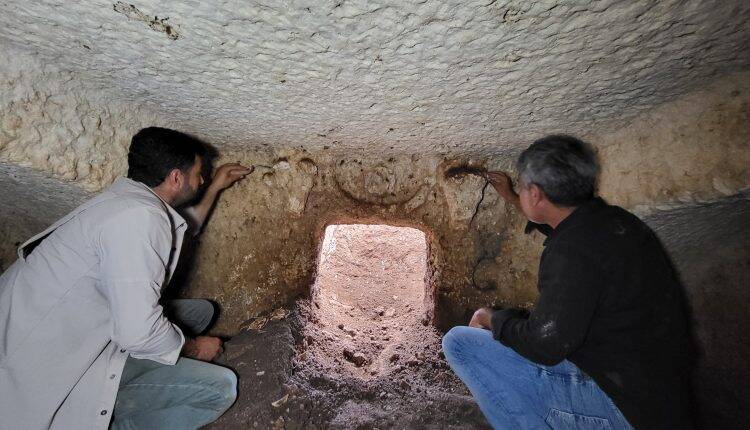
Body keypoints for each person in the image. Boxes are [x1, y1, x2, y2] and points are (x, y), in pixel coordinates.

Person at [0, 127, 252, 429]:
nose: (203, 180)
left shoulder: (126, 201)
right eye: (200, 174)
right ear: (176, 177)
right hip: (50, 365)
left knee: (201, 312)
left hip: (72, 324)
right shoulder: (141, 219)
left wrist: (214, 189)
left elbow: (178, 233)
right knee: (221, 387)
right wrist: (196, 348)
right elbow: (137, 332)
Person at [442, 135, 692, 429]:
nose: (520, 192)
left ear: (535, 194)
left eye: (522, 188)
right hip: (661, 396)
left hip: (622, 407)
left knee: (459, 343)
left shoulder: (571, 251)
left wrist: (492, 318)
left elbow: (544, 344)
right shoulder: (617, 223)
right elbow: (572, 240)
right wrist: (511, 197)